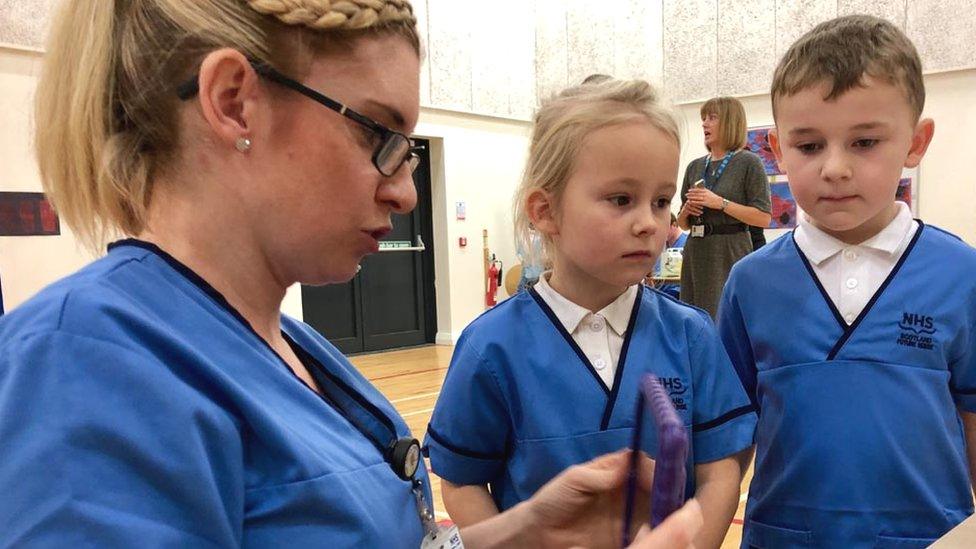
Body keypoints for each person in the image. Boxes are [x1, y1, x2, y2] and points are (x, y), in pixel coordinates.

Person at [0, 1, 704, 547]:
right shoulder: (84, 365)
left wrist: (527, 529)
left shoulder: (296, 349)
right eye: (378, 135)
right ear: (233, 100)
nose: (404, 191)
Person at [424, 79, 757, 549]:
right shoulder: (489, 347)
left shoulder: (691, 335)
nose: (649, 222)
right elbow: (462, 480)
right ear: (545, 211)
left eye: (662, 202)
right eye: (621, 200)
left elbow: (722, 467)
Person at [717, 15, 976, 547]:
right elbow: (728, 440)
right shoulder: (750, 284)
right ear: (777, 150)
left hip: (932, 537)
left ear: (916, 142)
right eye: (809, 146)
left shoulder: (961, 274)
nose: (834, 168)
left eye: (864, 142)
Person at [677, 96, 771, 318]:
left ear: (729, 122)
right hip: (696, 250)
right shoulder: (695, 166)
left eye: (712, 118)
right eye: (703, 118)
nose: (704, 123)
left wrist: (720, 203)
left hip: (730, 249)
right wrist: (687, 211)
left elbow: (763, 218)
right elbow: (682, 225)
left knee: (725, 317)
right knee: (692, 315)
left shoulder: (749, 162)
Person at [650, 213, 688, 299]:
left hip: (675, 292)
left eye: (664, 229)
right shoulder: (662, 246)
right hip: (659, 291)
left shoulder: (686, 244)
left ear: (674, 225)